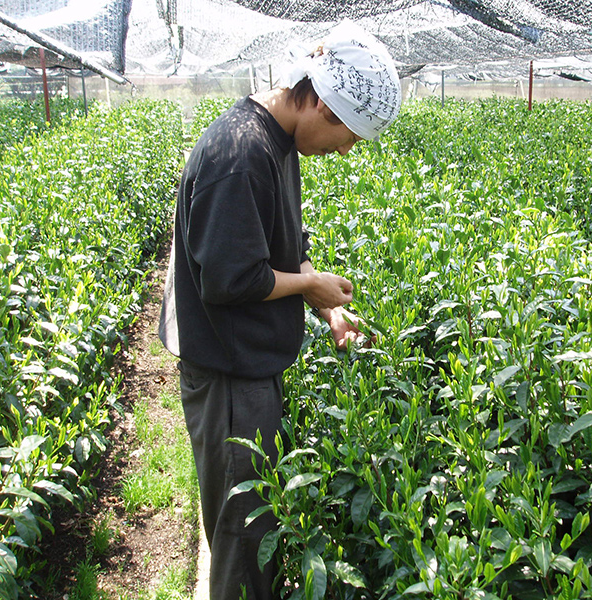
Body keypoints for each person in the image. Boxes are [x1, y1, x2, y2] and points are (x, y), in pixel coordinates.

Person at [158, 20, 401, 600]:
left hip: (249, 367)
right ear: (316, 98)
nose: (345, 150)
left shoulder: (273, 142)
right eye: (347, 133)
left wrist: (325, 311)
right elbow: (229, 277)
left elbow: (277, 249)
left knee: (256, 521)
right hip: (230, 375)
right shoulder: (239, 153)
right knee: (244, 539)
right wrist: (310, 286)